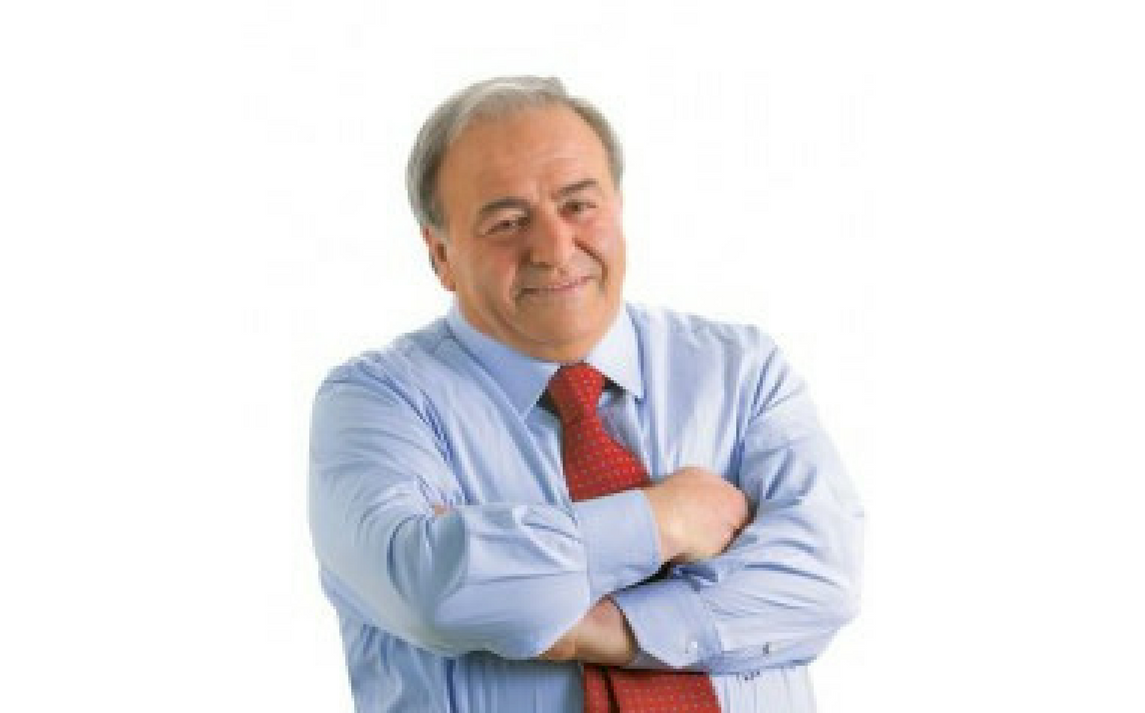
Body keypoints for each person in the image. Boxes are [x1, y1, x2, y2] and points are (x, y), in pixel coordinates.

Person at [309, 76, 864, 712]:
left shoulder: (740, 370)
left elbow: (824, 578)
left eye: (578, 206)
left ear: (619, 208)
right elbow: (431, 587)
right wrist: (664, 520)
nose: (554, 249)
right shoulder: (375, 402)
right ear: (441, 255)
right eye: (507, 222)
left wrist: (602, 628)